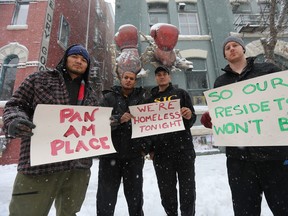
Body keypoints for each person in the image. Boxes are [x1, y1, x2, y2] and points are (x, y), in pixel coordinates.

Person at [2, 44, 99, 216]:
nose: (79, 61)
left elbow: (94, 123)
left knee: (69, 212)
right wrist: (15, 120)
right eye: (75, 56)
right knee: (26, 212)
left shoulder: (91, 93)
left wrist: (106, 123)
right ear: (65, 58)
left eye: (84, 60)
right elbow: (15, 105)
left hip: (77, 167)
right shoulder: (39, 79)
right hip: (40, 165)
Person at [201, 35, 288, 216]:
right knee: (244, 210)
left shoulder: (268, 71)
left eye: (235, 45)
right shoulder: (220, 83)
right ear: (225, 55)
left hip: (274, 156)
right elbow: (224, 114)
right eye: (227, 48)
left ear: (243, 49)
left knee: (283, 207)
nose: (232, 48)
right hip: (239, 161)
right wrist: (212, 119)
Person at [96, 69, 150, 216]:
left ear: (135, 81)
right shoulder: (108, 98)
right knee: (106, 196)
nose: (128, 80)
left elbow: (150, 125)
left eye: (132, 78)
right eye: (126, 77)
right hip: (110, 156)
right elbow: (99, 122)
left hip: (134, 156)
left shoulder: (142, 99)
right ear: (121, 79)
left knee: (135, 197)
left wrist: (144, 148)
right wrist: (118, 119)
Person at [147, 65, 197, 216]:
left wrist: (189, 115)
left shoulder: (181, 94)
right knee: (166, 191)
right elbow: (146, 126)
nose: (161, 76)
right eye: (158, 74)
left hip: (183, 150)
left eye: (164, 74)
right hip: (161, 154)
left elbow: (191, 118)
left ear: (169, 77)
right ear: (155, 78)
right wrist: (150, 149)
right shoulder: (149, 100)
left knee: (187, 189)